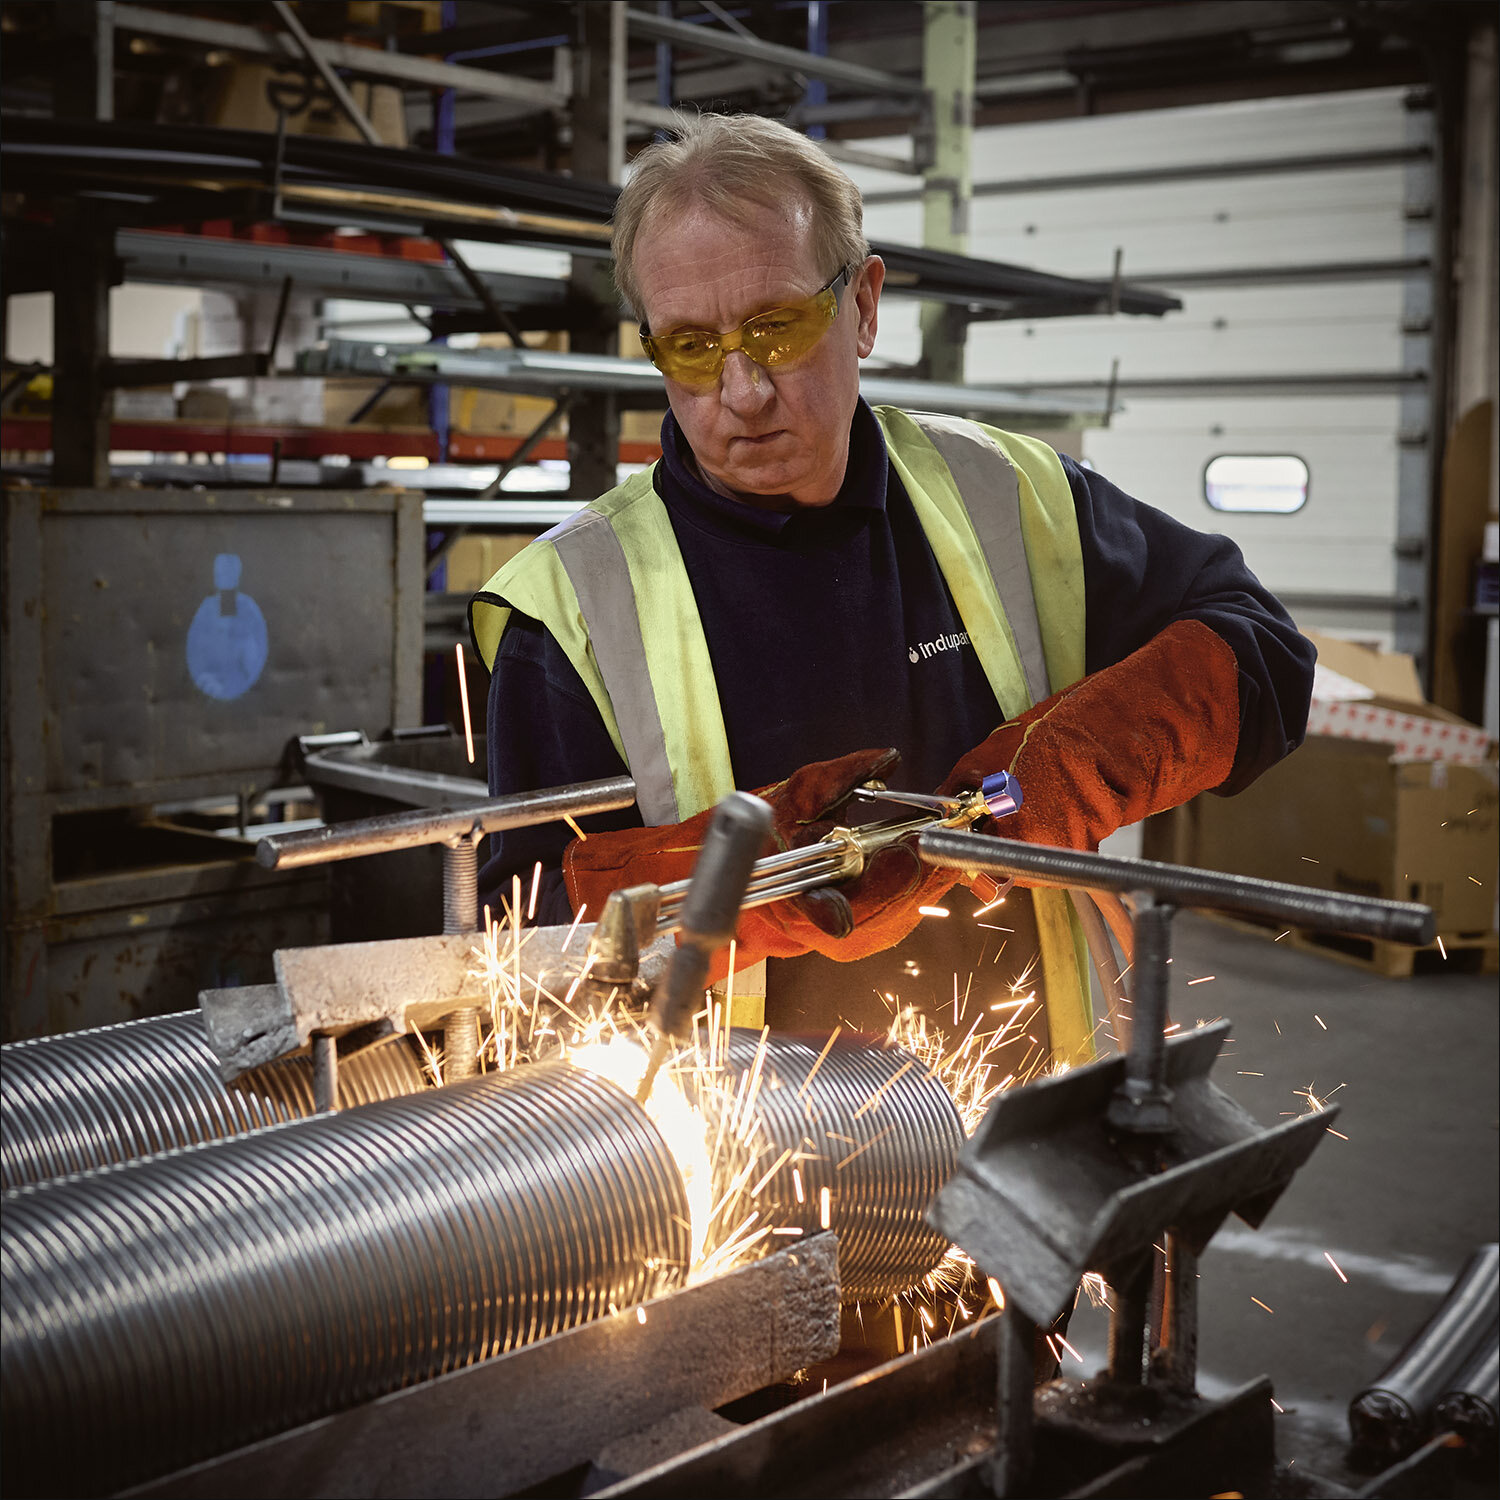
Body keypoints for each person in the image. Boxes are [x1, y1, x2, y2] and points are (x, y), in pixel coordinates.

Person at [469, 113, 1314, 1065]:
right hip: (731, 1164)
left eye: (776, 328)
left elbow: (1264, 654)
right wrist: (728, 886)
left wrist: (1070, 770)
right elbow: (521, 947)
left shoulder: (1007, 496)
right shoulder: (576, 605)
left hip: (1019, 1120)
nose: (740, 392)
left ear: (864, 306)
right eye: (693, 349)